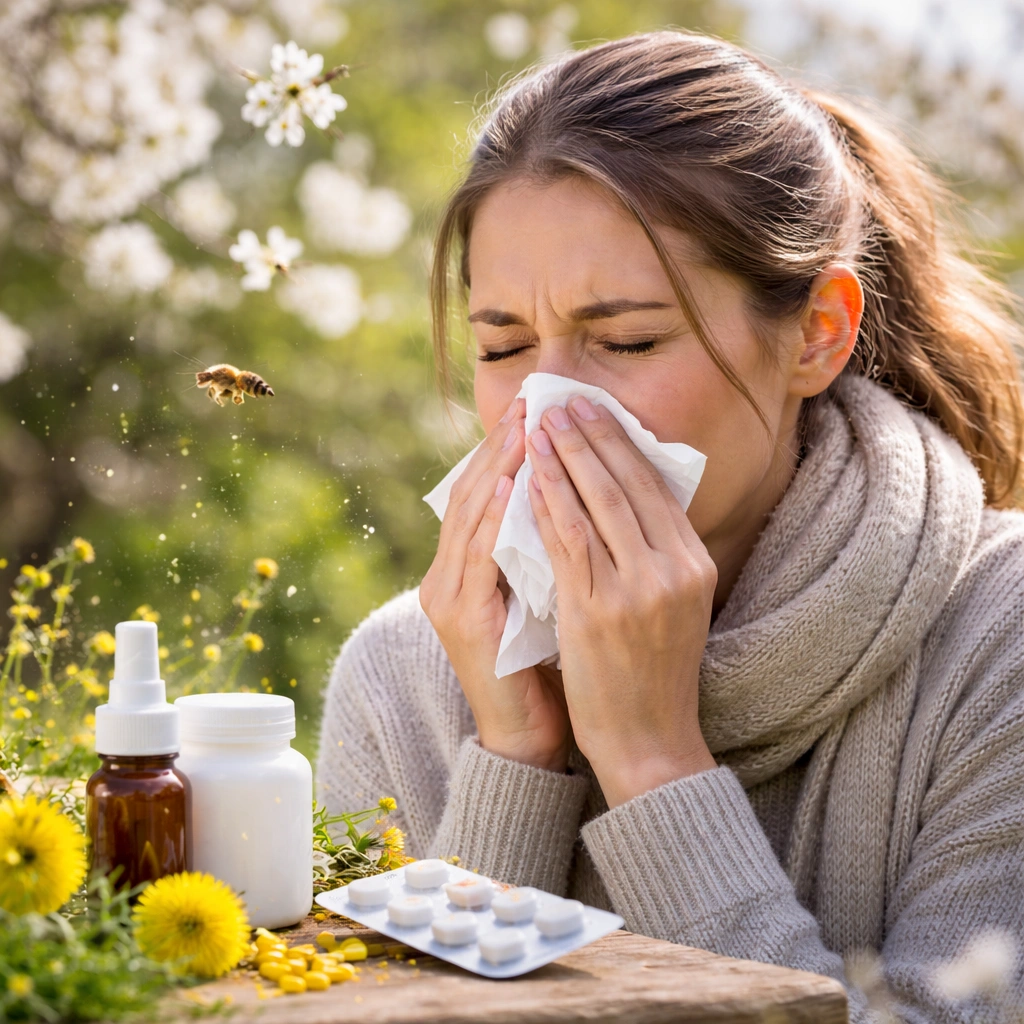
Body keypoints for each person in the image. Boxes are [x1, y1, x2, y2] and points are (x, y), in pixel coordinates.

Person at [317, 28, 1024, 1020]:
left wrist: (652, 763)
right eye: (503, 345)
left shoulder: (997, 640)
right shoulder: (402, 676)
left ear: (818, 332)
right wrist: (512, 759)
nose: (548, 406)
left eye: (624, 338)